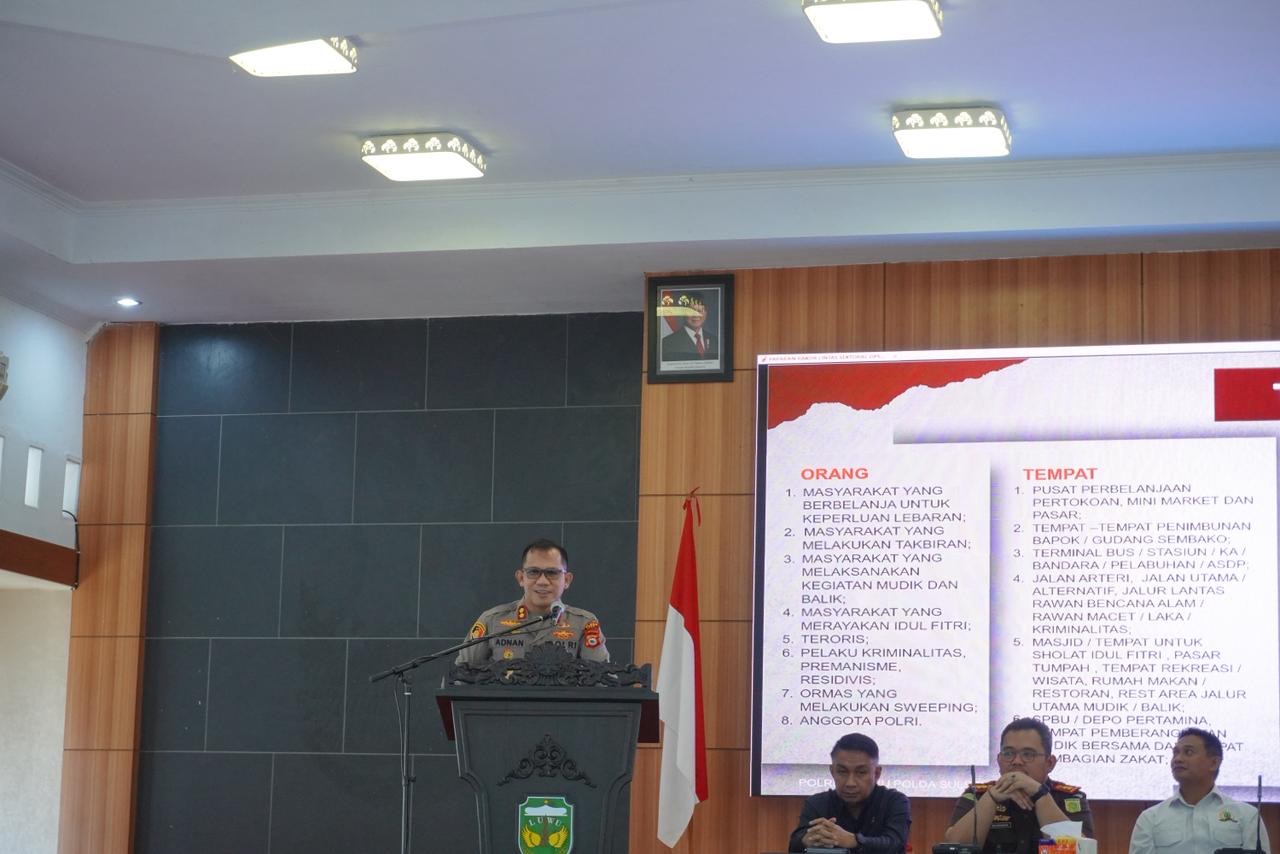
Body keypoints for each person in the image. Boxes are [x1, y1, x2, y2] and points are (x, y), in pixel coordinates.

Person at [944, 718, 1092, 854]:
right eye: (1008, 753)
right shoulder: (977, 795)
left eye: (1028, 754)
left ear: (1049, 763)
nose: (1016, 761)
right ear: (999, 760)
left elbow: (1078, 852)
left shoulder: (1069, 798)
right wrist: (991, 798)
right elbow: (954, 850)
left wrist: (1040, 794)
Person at [454, 538, 609, 665]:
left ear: (567, 580)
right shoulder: (492, 621)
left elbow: (603, 682)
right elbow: (458, 678)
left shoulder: (585, 624)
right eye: (533, 572)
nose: (542, 581)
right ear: (521, 578)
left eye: (552, 573)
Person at [1129, 727, 1272, 854]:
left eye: (1188, 752)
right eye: (1175, 753)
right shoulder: (1150, 819)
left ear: (1214, 763)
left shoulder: (1246, 816)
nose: (1177, 759)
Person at [788, 732, 911, 853]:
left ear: (877, 773)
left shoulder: (894, 802)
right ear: (832, 771)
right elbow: (794, 845)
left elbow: (896, 844)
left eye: (861, 772)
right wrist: (806, 840)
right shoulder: (817, 803)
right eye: (842, 772)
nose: (850, 783)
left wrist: (854, 841)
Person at [661, 294, 718, 361]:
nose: (696, 315)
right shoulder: (668, 342)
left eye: (700, 311)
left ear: (706, 313)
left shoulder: (715, 340)